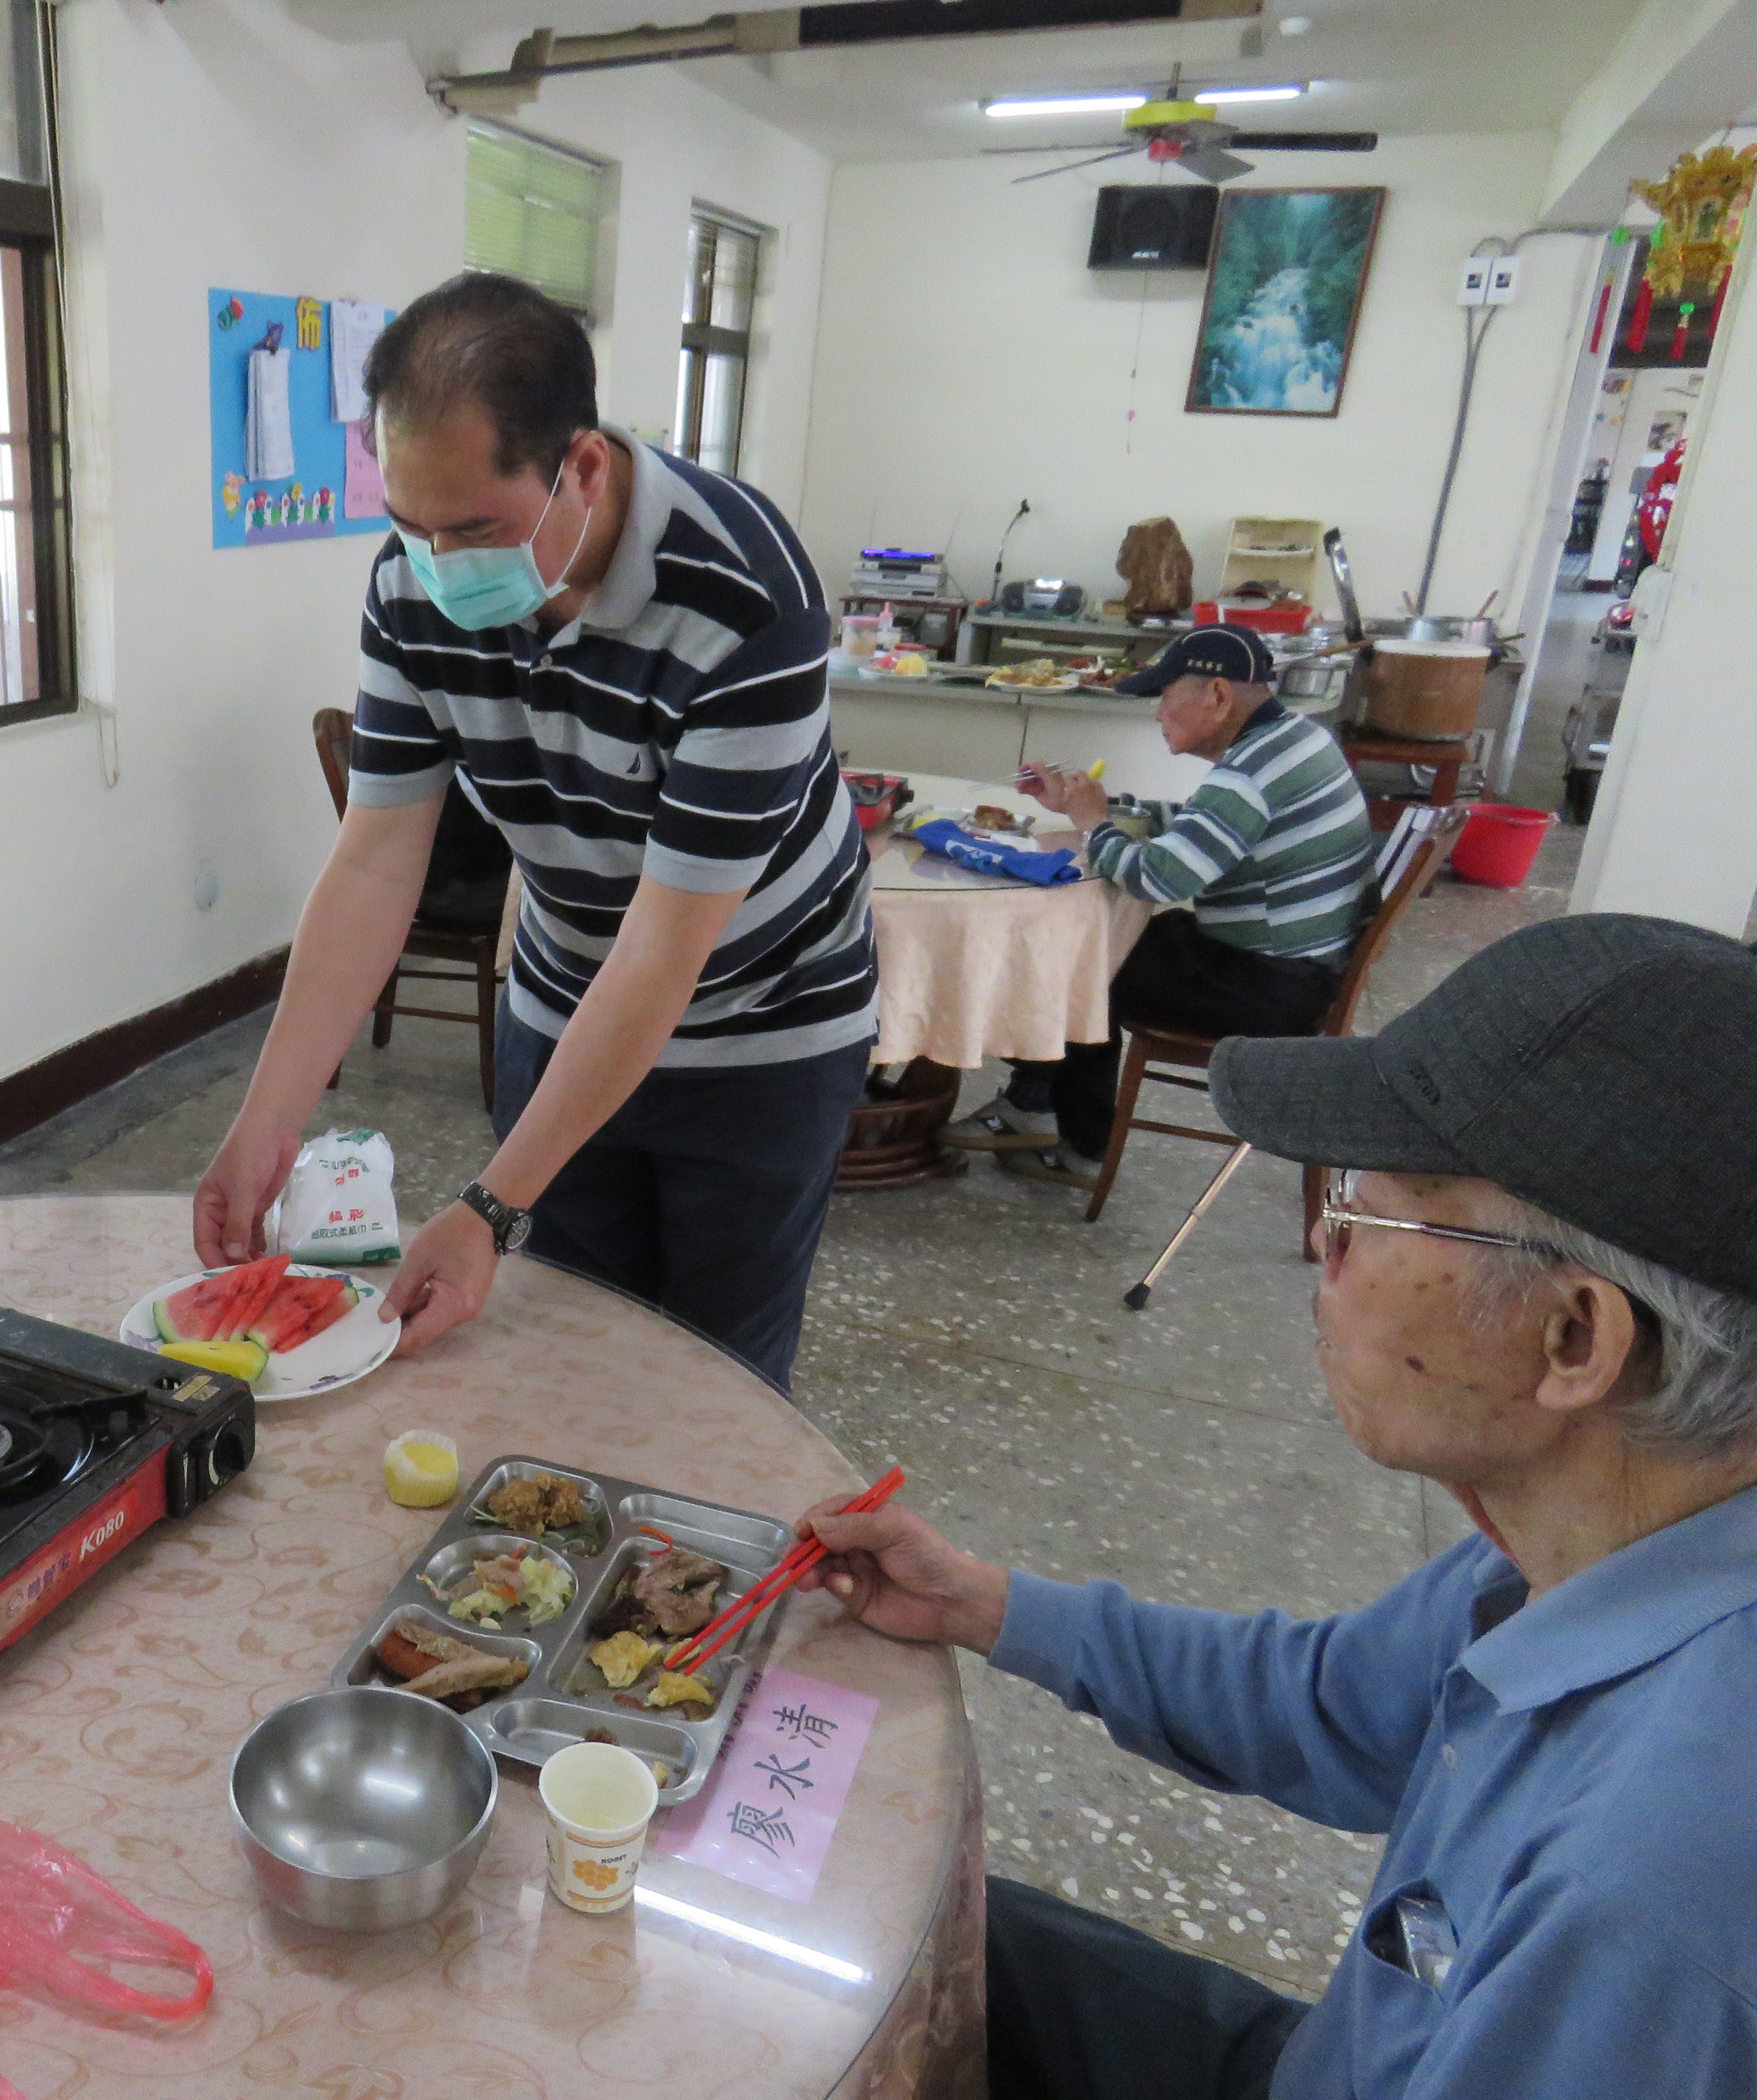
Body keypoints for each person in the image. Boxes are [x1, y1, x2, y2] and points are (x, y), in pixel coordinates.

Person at [794, 914, 1757, 2098]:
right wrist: (985, 1605)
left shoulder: (1652, 1890)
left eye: (1369, 1203)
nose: (1327, 1246)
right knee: (859, 1893)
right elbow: (1330, 1710)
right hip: (1336, 2059)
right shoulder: (1583, 1533)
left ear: (1575, 1335)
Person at [193, 272, 876, 1390]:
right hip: (561, 997)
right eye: (409, 526)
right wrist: (264, 1126)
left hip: (762, 1026)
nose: (440, 564)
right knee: (559, 1350)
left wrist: (488, 1206)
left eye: (476, 529)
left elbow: (663, 948)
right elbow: (373, 861)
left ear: (584, 465)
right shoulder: (410, 588)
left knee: (713, 1381)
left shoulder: (744, 596)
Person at [944, 623, 1373, 1193]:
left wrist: (1094, 824)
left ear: (1217, 697)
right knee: (1107, 944)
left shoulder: (1248, 774)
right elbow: (1201, 827)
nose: (1157, 715)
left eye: (1166, 697)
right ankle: (1039, 1097)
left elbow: (1160, 877)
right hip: (1299, 966)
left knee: (1089, 960)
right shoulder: (1292, 740)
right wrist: (1098, 805)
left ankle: (1066, 1131)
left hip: (1271, 987)